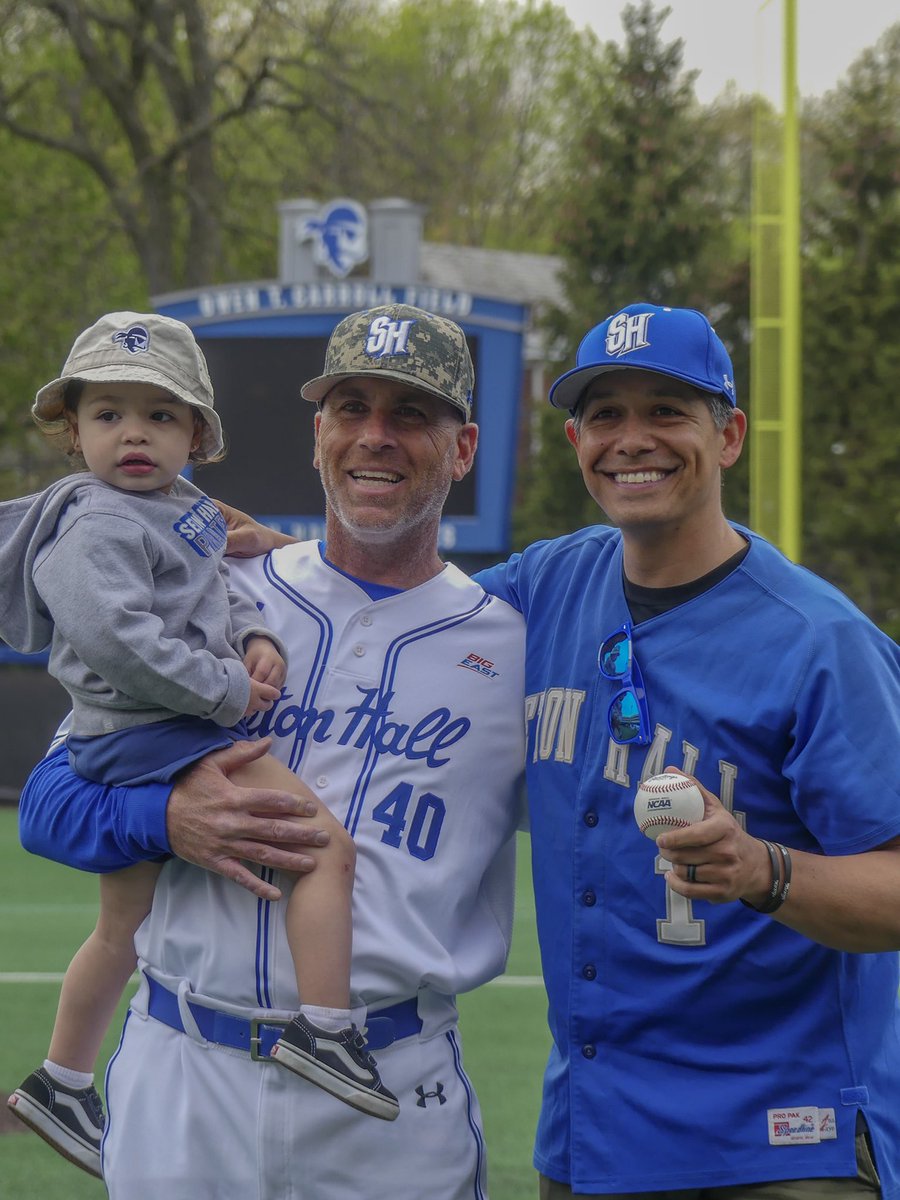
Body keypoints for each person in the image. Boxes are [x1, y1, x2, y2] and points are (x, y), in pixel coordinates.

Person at [15, 303, 527, 1198]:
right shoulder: (218, 586)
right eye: (352, 407)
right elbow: (54, 801)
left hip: (391, 1085)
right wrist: (167, 816)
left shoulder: (519, 647)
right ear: (317, 432)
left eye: (410, 413)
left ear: (464, 448)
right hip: (182, 1071)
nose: (376, 436)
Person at [473, 302, 900, 1198]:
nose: (633, 439)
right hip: (593, 1137)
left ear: (729, 434)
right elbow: (405, 611)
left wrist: (763, 869)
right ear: (575, 439)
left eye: (667, 410)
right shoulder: (549, 582)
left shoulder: (820, 640)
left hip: (780, 1142)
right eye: (606, 414)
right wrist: (276, 569)